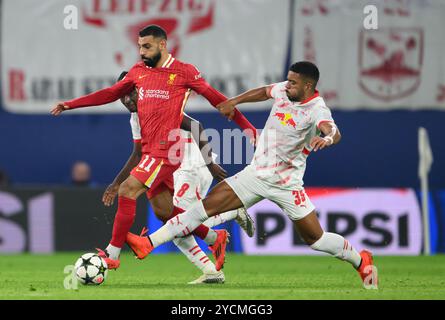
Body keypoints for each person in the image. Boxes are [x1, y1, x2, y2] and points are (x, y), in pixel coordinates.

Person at [125, 61, 378, 289]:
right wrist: (234, 101)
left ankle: (360, 259)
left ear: (308, 86)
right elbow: (264, 91)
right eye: (287, 80)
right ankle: (148, 243)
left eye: (293, 82)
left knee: (316, 239)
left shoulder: (317, 109)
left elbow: (332, 130)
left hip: (287, 184)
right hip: (255, 175)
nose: (286, 85)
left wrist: (328, 138)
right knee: (199, 210)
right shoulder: (283, 91)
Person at [50, 25, 257, 271]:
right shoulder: (138, 72)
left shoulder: (184, 72)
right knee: (164, 211)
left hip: (167, 151)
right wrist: (70, 104)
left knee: (127, 189)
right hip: (151, 153)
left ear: (162, 44)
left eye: (146, 46)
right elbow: (109, 93)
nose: (141, 52)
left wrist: (248, 129)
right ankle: (214, 237)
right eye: (139, 46)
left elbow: (219, 101)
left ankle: (111, 255)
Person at [102, 72, 255, 284]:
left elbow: (195, 126)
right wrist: (117, 182)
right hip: (167, 165)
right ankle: (212, 267)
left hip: (191, 162)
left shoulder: (158, 104)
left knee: (179, 223)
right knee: (168, 216)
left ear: (141, 90)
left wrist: (210, 163)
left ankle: (230, 212)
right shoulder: (135, 117)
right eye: (122, 96)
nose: (127, 100)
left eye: (131, 93)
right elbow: (138, 152)